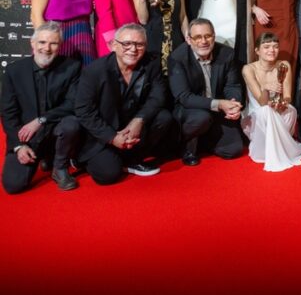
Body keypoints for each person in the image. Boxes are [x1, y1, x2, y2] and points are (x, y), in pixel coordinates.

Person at [74, 24, 172, 183]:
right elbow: (84, 111)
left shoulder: (152, 63)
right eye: (126, 44)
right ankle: (85, 159)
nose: (133, 49)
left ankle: (134, 158)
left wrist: (138, 120)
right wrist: (112, 137)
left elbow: (158, 96)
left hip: (133, 127)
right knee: (108, 175)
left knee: (164, 117)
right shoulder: (94, 71)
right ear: (113, 45)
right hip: (104, 131)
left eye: (139, 44)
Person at [2, 23, 82, 193]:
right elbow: (8, 113)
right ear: (33, 44)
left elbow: (73, 103)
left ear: (60, 46)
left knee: (72, 123)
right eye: (42, 42)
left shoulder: (72, 67)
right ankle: (46, 156)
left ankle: (59, 167)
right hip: (27, 136)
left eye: (53, 43)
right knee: (13, 185)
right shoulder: (14, 70)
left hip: (56, 129)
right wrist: (18, 146)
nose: (47, 48)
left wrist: (41, 120)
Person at [167, 18, 245, 166]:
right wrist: (220, 104)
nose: (203, 41)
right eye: (197, 37)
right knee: (201, 117)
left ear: (214, 36)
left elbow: (233, 85)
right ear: (189, 40)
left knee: (233, 150)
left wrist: (233, 104)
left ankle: (202, 141)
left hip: (216, 111)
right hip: (190, 111)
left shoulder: (226, 54)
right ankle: (186, 147)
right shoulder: (178, 58)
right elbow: (184, 97)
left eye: (208, 36)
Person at [241, 32, 301, 171]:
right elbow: (261, 103)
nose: (272, 50)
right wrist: (266, 89)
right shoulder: (249, 69)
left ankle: (282, 148)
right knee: (266, 111)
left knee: (291, 110)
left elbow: (288, 96)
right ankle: (269, 150)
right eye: (266, 47)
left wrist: (282, 104)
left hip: (278, 109)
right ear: (257, 51)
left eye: (275, 46)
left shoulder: (284, 65)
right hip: (257, 115)